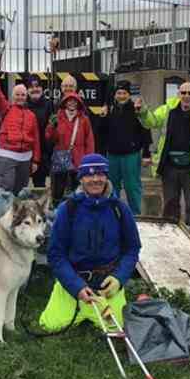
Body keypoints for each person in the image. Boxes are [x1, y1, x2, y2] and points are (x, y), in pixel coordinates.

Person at [39, 153, 141, 331]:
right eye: (89, 175)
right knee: (51, 326)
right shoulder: (67, 209)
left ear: (106, 176)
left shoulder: (119, 208)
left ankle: (107, 302)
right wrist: (76, 286)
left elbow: (132, 249)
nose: (95, 179)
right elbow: (56, 254)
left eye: (100, 174)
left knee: (117, 328)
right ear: (81, 179)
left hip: (107, 284)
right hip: (75, 280)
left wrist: (119, 278)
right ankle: (69, 298)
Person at [137, 81, 190, 233]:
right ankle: (170, 234)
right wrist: (143, 111)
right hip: (169, 167)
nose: (186, 96)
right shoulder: (168, 109)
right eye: (183, 93)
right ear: (178, 94)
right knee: (170, 204)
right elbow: (152, 122)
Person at [99, 80, 153, 215]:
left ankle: (136, 214)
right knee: (112, 187)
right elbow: (101, 132)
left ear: (129, 95)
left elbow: (146, 130)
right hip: (112, 155)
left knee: (132, 186)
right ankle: (112, 213)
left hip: (131, 155)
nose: (121, 96)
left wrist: (146, 153)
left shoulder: (136, 108)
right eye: (118, 93)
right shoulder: (109, 109)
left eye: (124, 93)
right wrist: (103, 117)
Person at [0, 61, 40, 194]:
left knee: (20, 192)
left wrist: (36, 160)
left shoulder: (31, 115)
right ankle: (5, 215)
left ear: (26, 96)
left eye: (23, 95)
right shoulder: (5, 108)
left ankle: (17, 215)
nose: (20, 97)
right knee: (6, 191)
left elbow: (36, 139)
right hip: (7, 156)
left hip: (25, 158)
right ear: (12, 96)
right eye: (17, 94)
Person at [45, 92, 95, 202]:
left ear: (78, 103)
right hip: (60, 159)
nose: (72, 103)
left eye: (75, 101)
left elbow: (89, 140)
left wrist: (89, 160)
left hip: (78, 160)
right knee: (57, 191)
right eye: (69, 100)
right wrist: (51, 127)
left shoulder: (84, 119)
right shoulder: (57, 117)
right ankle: (57, 212)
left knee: (77, 191)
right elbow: (50, 138)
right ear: (64, 103)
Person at [26, 74, 54, 188]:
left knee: (40, 185)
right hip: (26, 151)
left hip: (43, 153)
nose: (34, 89)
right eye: (31, 87)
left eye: (37, 86)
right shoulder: (23, 105)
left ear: (42, 89)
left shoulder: (48, 105)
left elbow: (52, 128)